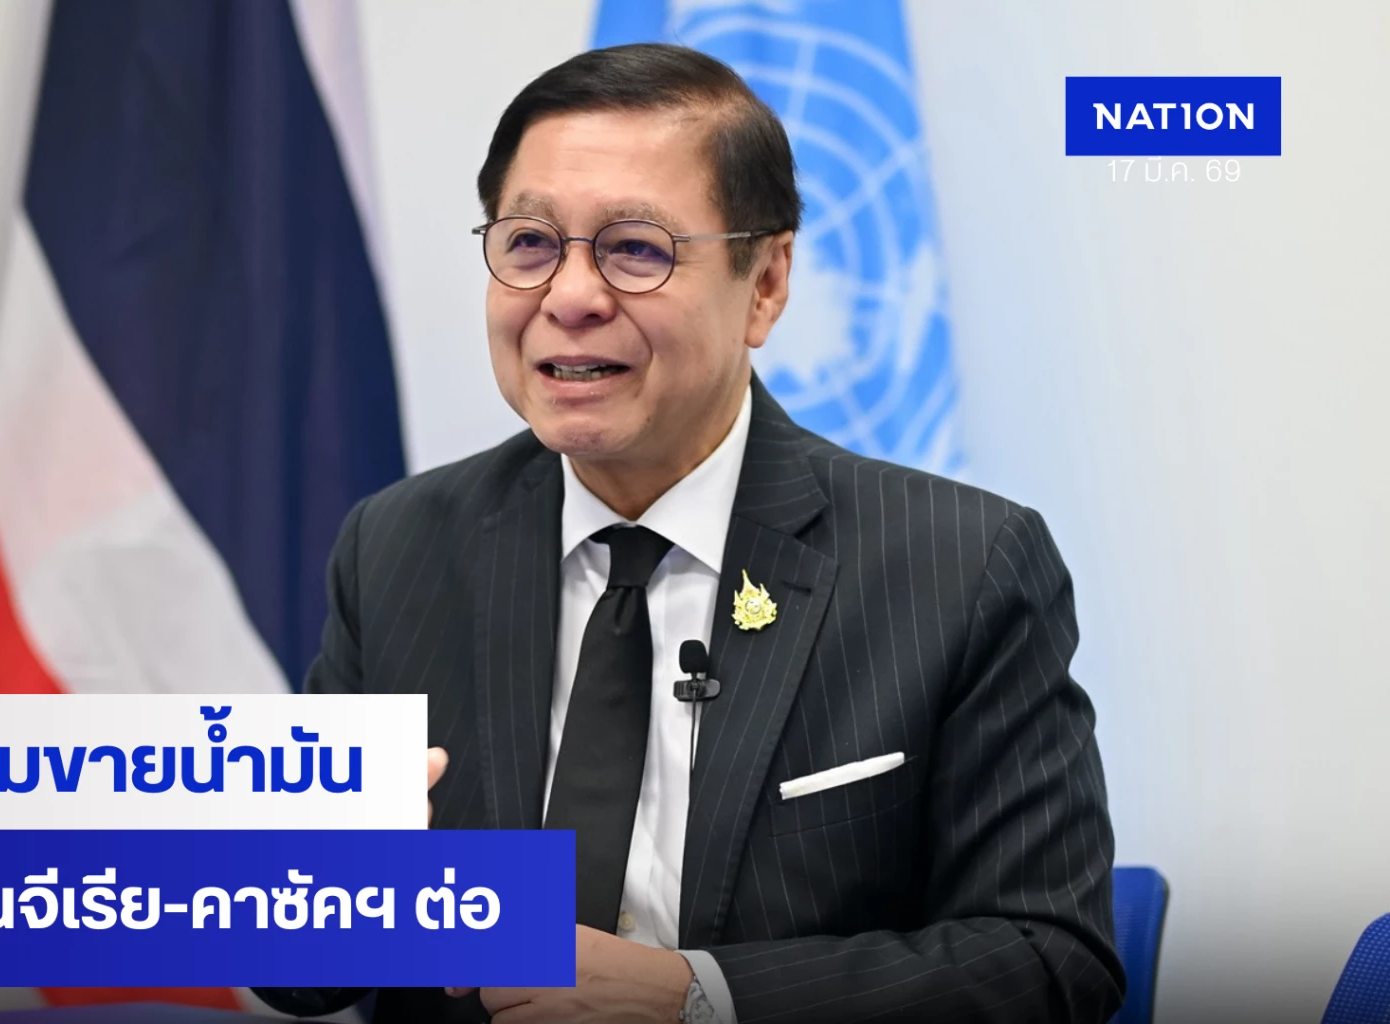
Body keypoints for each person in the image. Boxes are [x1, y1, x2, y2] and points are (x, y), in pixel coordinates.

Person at [256, 43, 1122, 1023]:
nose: (569, 297)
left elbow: (1050, 959)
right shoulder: (400, 546)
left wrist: (698, 1000)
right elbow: (299, 972)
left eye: (635, 248)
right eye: (529, 242)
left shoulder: (957, 566)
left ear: (765, 284)